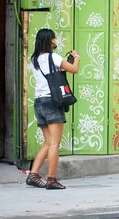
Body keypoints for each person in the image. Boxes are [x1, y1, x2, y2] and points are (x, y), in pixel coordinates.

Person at [26, 28, 80, 190]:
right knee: (55, 143)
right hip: (52, 102)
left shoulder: (34, 59)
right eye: (54, 39)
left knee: (48, 142)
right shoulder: (53, 57)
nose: (55, 42)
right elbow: (74, 69)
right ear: (50, 41)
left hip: (39, 103)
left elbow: (54, 72)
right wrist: (76, 57)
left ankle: (33, 175)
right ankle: (52, 179)